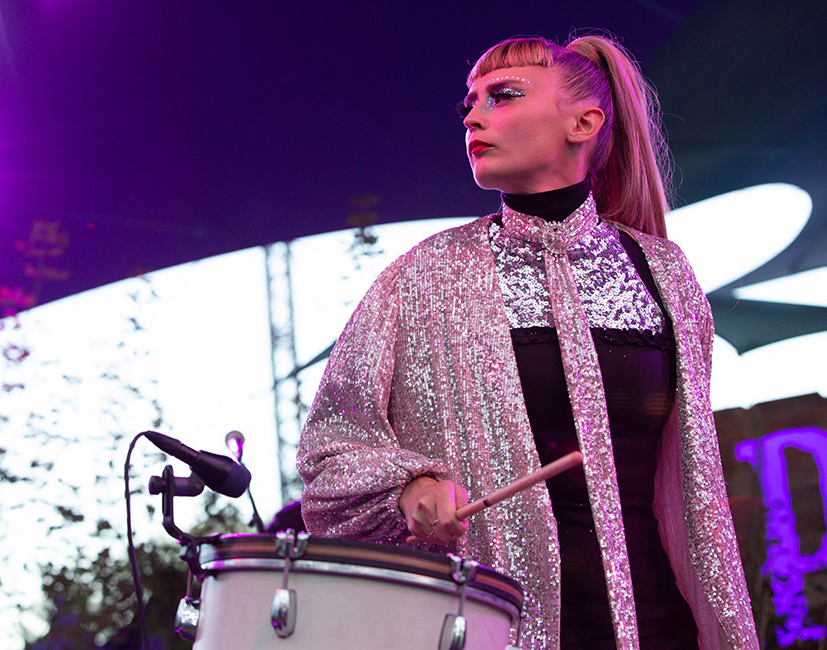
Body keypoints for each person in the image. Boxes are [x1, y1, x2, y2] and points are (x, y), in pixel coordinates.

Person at [296, 34, 759, 650]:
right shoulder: (422, 276)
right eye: (470, 101)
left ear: (584, 122)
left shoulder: (664, 270)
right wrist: (411, 486)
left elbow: (688, 477)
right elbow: (333, 446)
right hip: (497, 627)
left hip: (661, 625)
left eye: (503, 96)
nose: (472, 115)